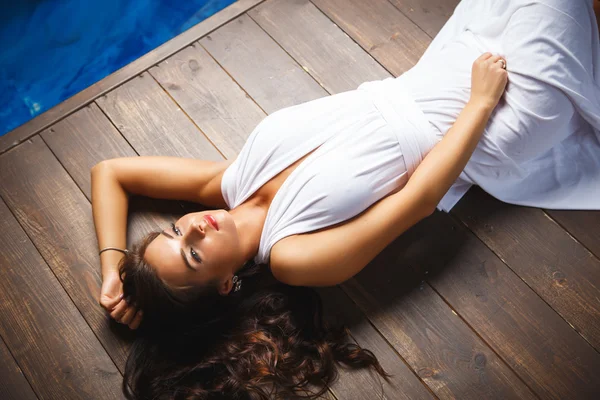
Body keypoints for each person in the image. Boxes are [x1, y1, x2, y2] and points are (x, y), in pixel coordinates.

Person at [91, 0, 600, 398]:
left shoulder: (228, 183)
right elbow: (420, 199)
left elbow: (110, 172)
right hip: (485, 120)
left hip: (441, 67)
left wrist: (113, 268)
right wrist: (482, 100)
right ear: (226, 284)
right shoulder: (292, 257)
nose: (195, 228)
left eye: (177, 231)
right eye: (192, 254)